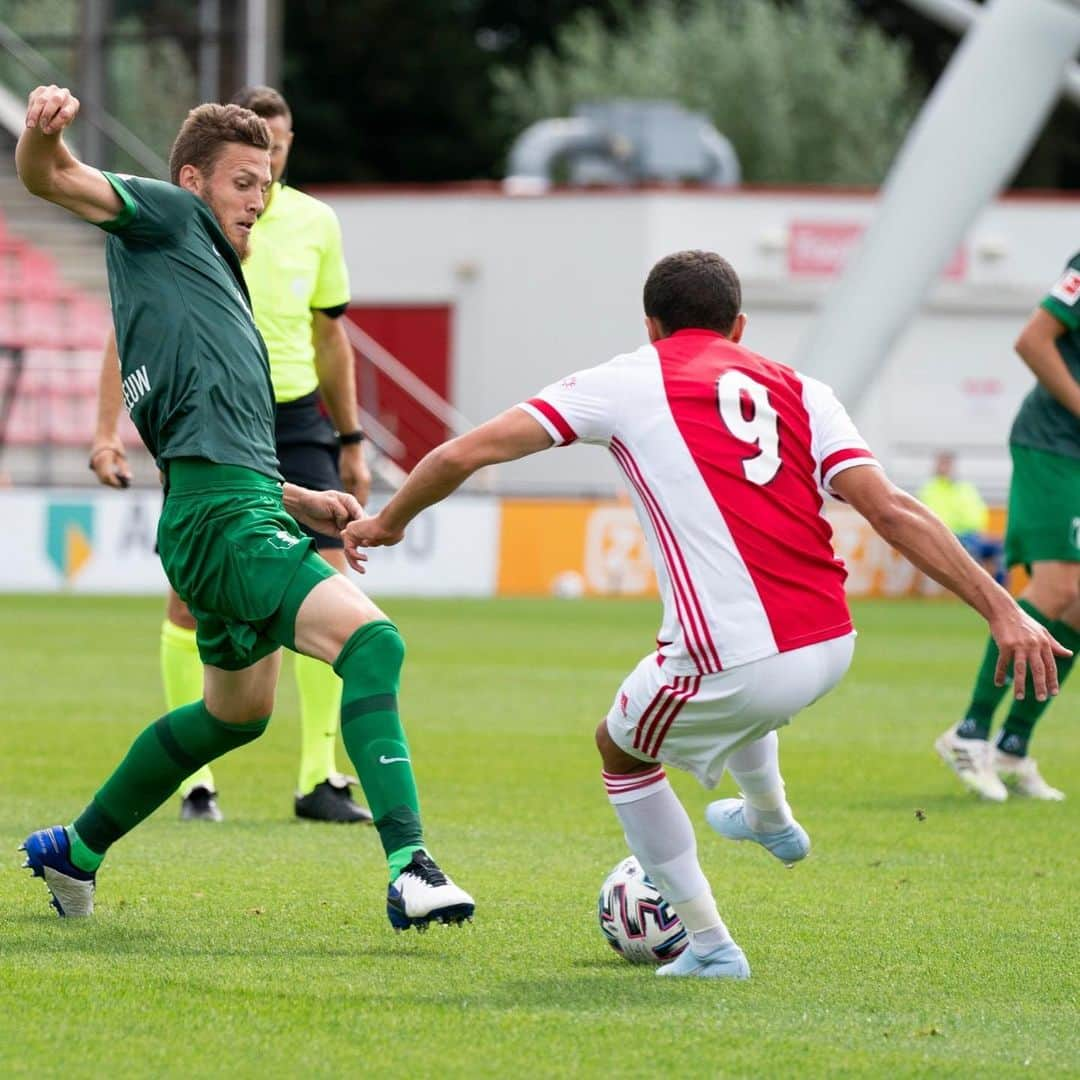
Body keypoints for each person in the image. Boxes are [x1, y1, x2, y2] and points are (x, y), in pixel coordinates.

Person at [343, 249, 1064, 979]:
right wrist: (1003, 608)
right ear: (740, 326)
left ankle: (713, 945)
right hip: (831, 643)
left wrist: (390, 521)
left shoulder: (625, 379)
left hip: (741, 658)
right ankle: (768, 818)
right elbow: (892, 509)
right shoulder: (803, 390)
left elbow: (467, 453)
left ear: (652, 325)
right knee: (718, 685)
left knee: (620, 751)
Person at [16, 84, 473, 930]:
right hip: (223, 521)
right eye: (242, 183)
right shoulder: (168, 215)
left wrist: (298, 495)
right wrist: (43, 133)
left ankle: (73, 851)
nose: (259, 201)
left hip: (223, 507)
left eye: (266, 184)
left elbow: (202, 439)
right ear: (192, 181)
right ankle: (410, 864)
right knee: (373, 644)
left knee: (238, 714)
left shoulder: (199, 278)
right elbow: (54, 181)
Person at [90, 85, 372, 825]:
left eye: (273, 164)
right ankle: (198, 782)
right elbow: (133, 326)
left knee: (342, 595)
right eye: (250, 170)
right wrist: (105, 428)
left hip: (292, 414)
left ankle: (321, 774)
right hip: (206, 416)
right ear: (208, 172)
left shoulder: (310, 221)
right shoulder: (189, 217)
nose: (261, 184)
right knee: (198, 608)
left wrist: (350, 438)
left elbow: (330, 332)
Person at [936, 255, 1080, 802]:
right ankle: (969, 731)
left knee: (1079, 602)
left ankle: (1012, 745)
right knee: (1056, 587)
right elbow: (1032, 341)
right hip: (1053, 444)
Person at [917, 450, 1005, 585]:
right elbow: (929, 518)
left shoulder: (965, 488)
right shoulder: (929, 490)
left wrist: (977, 532)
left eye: (947, 464)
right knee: (971, 552)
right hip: (946, 537)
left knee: (1000, 548)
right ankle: (982, 590)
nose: (945, 468)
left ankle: (1001, 592)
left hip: (971, 536)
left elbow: (977, 513)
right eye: (942, 464)